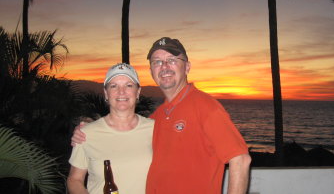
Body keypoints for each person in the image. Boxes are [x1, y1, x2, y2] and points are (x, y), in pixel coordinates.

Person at [73, 37, 251, 194]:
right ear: (151, 71)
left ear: (187, 66)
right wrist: (87, 127)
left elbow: (240, 159)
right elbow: (122, 133)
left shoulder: (205, 107)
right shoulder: (155, 119)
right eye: (157, 62)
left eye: (172, 60)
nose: (164, 66)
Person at [67, 63, 154, 194]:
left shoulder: (155, 129)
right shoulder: (86, 133)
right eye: (114, 86)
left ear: (138, 92)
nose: (121, 92)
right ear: (106, 93)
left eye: (129, 85)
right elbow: (74, 180)